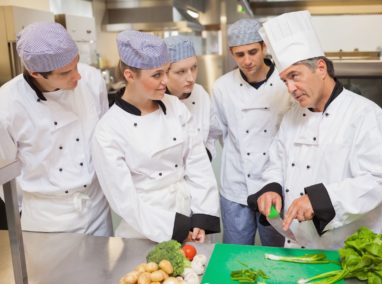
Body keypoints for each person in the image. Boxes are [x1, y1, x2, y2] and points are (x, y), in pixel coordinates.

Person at [248, 10, 382, 250]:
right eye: (285, 80)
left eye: (295, 76)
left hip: (348, 249)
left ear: (320, 68)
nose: (291, 88)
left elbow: (379, 179)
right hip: (298, 245)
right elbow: (276, 163)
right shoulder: (292, 117)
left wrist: (321, 200)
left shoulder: (364, 115)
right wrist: (271, 188)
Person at [91, 30, 220, 243]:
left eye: (166, 72)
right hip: (144, 229)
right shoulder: (109, 130)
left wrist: (201, 216)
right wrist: (177, 229)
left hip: (189, 214)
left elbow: (198, 164)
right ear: (130, 75)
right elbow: (124, 199)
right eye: (156, 75)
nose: (165, 81)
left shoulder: (175, 107)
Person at [0, 22, 112, 236]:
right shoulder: (6, 106)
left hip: (97, 208)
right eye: (65, 73)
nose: (77, 75)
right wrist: (27, 210)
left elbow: (104, 142)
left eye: (77, 64)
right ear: (35, 73)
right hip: (47, 218)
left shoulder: (91, 80)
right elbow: (5, 174)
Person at [207, 18, 292, 246]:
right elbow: (219, 131)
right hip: (236, 184)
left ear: (264, 46)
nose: (247, 60)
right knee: (235, 252)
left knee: (277, 252)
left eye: (252, 52)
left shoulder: (285, 82)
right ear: (231, 53)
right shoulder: (222, 87)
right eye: (239, 54)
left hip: (276, 184)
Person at [164, 36, 212, 160]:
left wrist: (206, 156)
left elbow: (210, 134)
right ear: (165, 73)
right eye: (181, 72)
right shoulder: (155, 101)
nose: (191, 78)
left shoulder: (200, 93)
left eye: (194, 68)